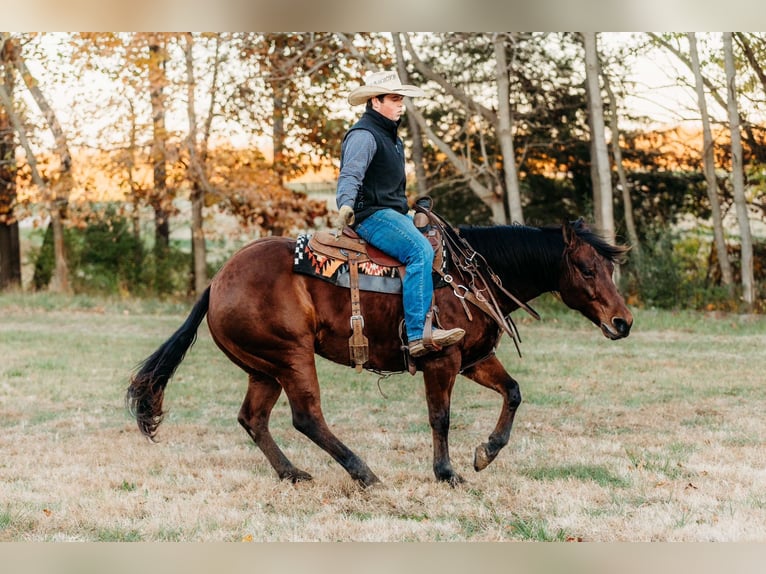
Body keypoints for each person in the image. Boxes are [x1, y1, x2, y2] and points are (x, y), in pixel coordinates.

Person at [334, 71, 465, 358]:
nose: (401, 104)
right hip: (371, 216)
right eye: (394, 99)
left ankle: (439, 316)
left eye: (401, 99)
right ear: (375, 101)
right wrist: (345, 203)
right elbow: (350, 175)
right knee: (419, 251)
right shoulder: (364, 135)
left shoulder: (393, 138)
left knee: (441, 240)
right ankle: (418, 334)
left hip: (394, 213)